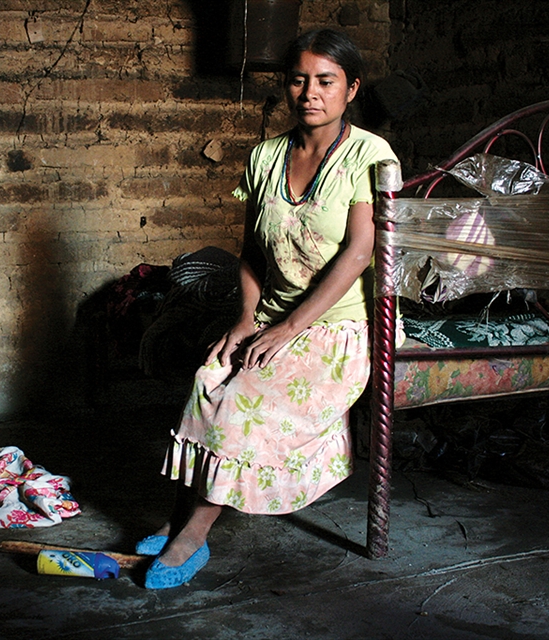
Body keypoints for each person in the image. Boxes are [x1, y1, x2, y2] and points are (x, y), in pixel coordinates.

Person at [140, 28, 398, 589]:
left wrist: (288, 327)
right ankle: (181, 516)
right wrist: (245, 320)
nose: (311, 92)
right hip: (270, 319)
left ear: (350, 89)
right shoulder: (265, 156)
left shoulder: (370, 154)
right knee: (211, 378)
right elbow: (254, 250)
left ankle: (192, 537)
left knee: (245, 399)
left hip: (334, 330)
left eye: (326, 81)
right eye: (299, 79)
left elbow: (359, 252)